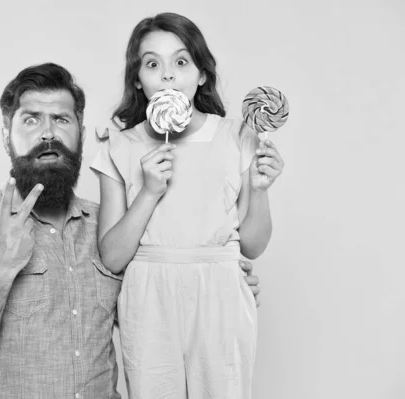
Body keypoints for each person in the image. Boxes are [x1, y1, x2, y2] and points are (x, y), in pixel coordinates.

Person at [0, 62, 261, 398]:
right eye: (31, 119)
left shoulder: (108, 230)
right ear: (5, 135)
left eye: (61, 119)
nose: (48, 134)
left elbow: (153, 305)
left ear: (81, 135)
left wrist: (217, 282)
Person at [90, 13, 284, 399]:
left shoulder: (237, 137)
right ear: (138, 80)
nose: (167, 75)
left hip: (222, 292)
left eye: (181, 62)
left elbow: (252, 246)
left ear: (201, 75)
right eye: (152, 63)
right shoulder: (118, 146)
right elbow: (112, 257)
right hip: (148, 296)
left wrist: (260, 190)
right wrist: (148, 192)